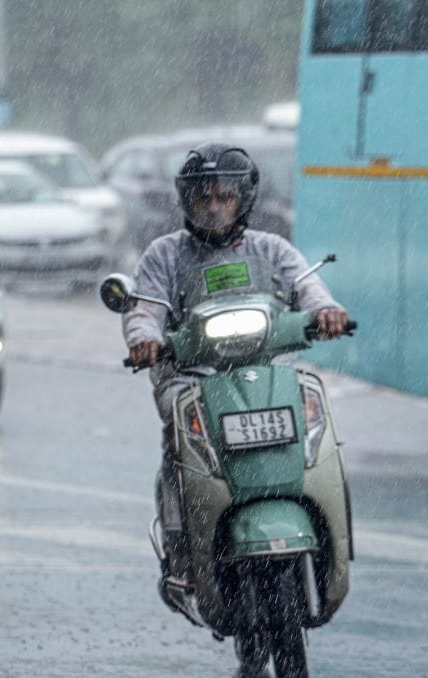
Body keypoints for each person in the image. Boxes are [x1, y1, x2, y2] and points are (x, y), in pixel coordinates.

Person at [121, 143, 348, 600]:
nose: (213, 207)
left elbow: (308, 286)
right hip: (191, 377)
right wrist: (143, 337)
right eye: (203, 197)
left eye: (224, 196)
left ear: (243, 199)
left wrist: (326, 310)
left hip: (266, 371)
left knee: (318, 431)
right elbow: (144, 309)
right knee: (179, 442)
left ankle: (329, 535)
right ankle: (182, 552)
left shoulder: (273, 249)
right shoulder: (164, 255)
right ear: (187, 200)